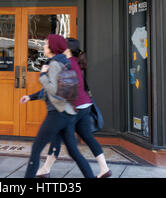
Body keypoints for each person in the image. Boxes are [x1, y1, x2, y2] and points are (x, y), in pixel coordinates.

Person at [35, 37, 112, 178]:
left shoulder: (65, 63)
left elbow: (57, 89)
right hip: (85, 105)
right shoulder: (76, 62)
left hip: (74, 108)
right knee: (88, 137)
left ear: (68, 49)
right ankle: (104, 168)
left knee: (58, 137)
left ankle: (45, 169)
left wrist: (43, 77)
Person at [20, 34, 95, 179]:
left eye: (46, 44)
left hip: (57, 114)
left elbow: (53, 90)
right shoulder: (66, 62)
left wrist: (42, 76)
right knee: (74, 152)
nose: (43, 46)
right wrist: (31, 97)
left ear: (52, 47)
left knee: (36, 150)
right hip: (68, 113)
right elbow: (59, 90)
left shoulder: (54, 64)